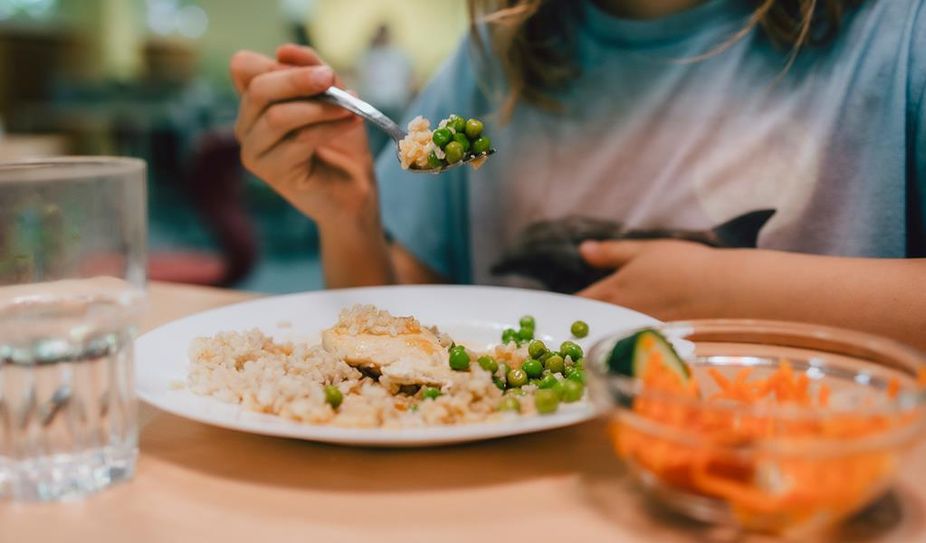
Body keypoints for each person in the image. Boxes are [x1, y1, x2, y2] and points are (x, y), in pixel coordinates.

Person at [228, 0, 926, 350]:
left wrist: (729, 292)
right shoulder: (491, 64)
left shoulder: (897, 37)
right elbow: (391, 343)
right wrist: (346, 215)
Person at [356, 24, 415, 155]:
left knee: (397, 141)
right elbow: (362, 79)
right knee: (375, 143)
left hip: (395, 105)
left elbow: (409, 79)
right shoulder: (368, 56)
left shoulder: (398, 55)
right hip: (374, 106)